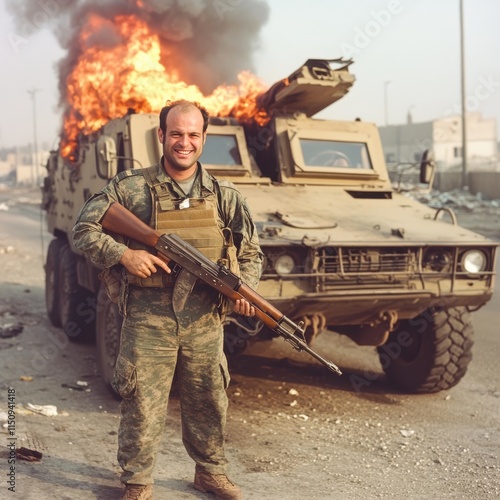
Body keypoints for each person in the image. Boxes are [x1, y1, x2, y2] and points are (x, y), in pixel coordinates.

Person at [72, 99, 263, 500]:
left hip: (205, 321)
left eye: (193, 134)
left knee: (210, 398)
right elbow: (84, 230)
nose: (184, 142)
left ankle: (210, 472)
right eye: (176, 133)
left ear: (204, 139)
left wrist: (244, 290)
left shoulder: (224, 196)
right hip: (148, 317)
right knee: (142, 400)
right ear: (161, 135)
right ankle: (137, 482)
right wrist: (125, 254)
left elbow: (251, 254)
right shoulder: (131, 187)